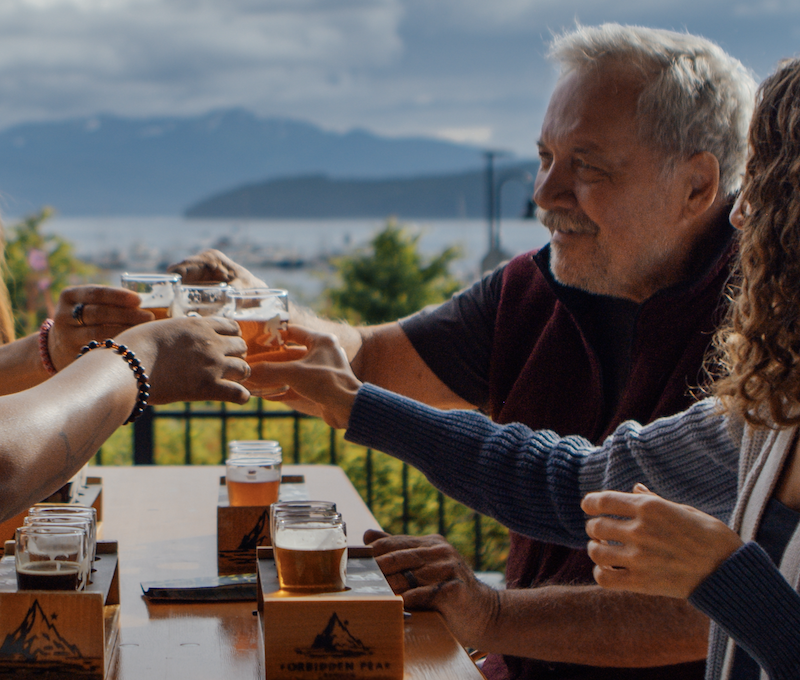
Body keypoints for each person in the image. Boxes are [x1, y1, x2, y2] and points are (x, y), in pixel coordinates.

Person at [170, 24, 756, 679]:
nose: (544, 194)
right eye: (544, 158)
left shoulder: (770, 336)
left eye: (587, 166)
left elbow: (719, 609)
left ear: (698, 186)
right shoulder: (532, 289)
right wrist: (265, 311)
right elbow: (365, 362)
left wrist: (494, 614)